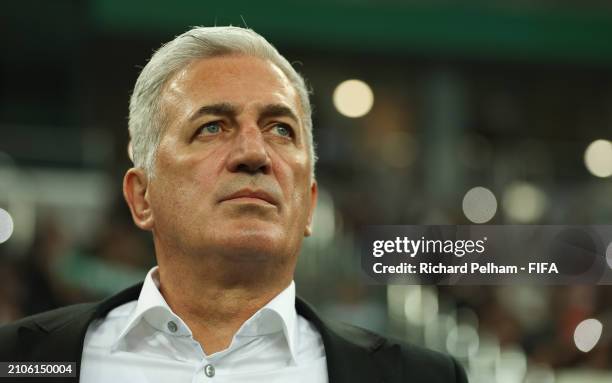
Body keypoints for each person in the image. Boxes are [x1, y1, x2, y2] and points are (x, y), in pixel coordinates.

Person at [0, 26, 467, 382]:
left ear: (308, 205)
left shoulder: (422, 377)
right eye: (212, 127)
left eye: (280, 129)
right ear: (142, 197)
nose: (254, 154)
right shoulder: (18, 362)